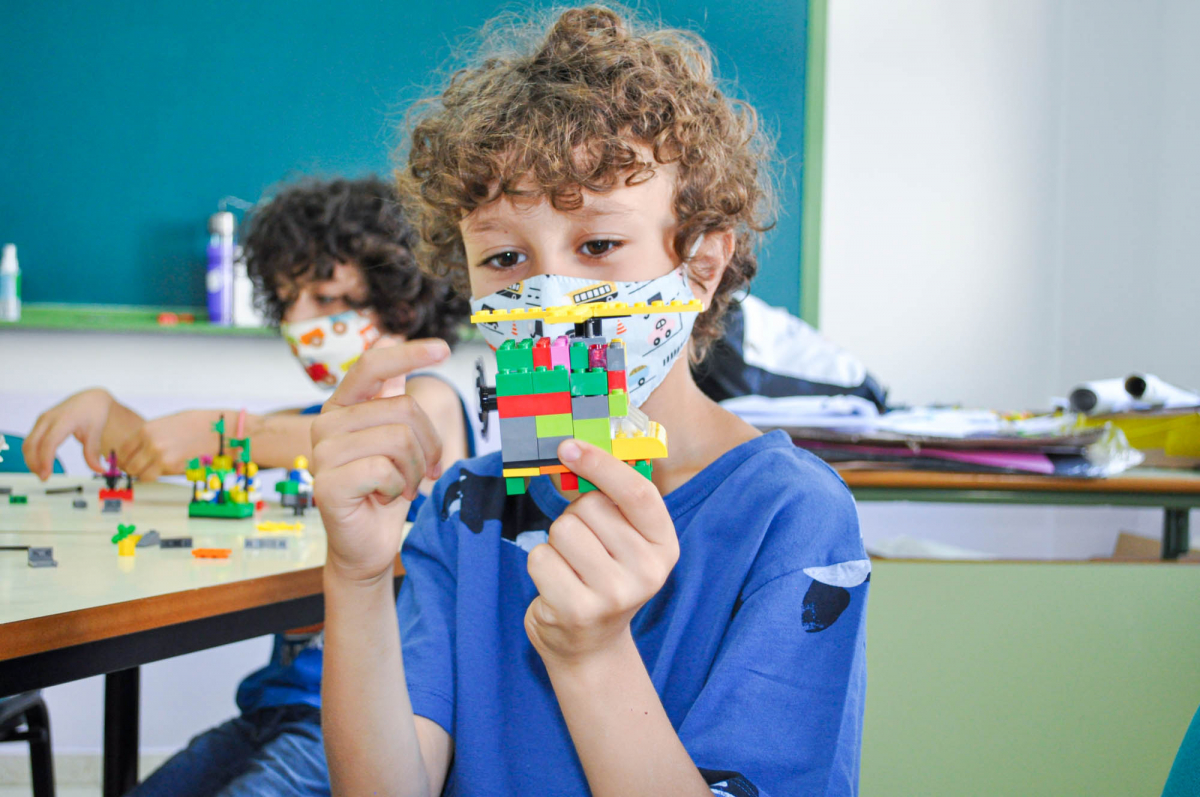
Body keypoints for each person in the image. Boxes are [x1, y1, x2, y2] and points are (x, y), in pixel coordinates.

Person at [315, 7, 869, 797]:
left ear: (702, 265)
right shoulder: (465, 508)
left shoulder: (792, 518)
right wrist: (356, 576)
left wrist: (592, 654)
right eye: (505, 258)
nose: (551, 295)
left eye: (599, 245)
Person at [22, 176, 471, 482]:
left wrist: (227, 435)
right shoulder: (310, 422)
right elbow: (166, 448)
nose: (296, 322)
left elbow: (351, 444)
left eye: (326, 298)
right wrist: (108, 414)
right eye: (287, 299)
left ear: (400, 306)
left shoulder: (430, 401)